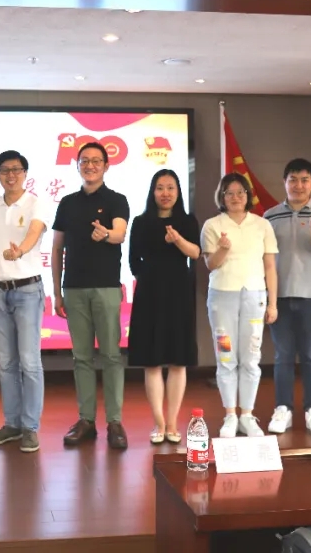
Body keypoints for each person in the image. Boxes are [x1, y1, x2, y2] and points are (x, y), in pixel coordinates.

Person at [52, 142, 131, 450]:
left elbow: (120, 233)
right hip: (73, 288)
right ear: (77, 165)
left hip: (106, 288)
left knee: (111, 356)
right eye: (84, 160)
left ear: (106, 166)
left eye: (96, 161)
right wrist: (56, 291)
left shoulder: (116, 200)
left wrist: (106, 234)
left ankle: (115, 421)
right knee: (81, 357)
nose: (90, 165)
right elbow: (57, 248)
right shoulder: (67, 203)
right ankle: (86, 419)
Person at [0, 151, 50, 454]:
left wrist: (19, 251)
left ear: (25, 173)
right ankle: (12, 424)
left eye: (17, 170)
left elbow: (34, 232)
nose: (11, 175)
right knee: (6, 363)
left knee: (30, 362)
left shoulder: (36, 203)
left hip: (27, 291)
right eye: (5, 170)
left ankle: (30, 427)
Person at [200, 173, 278, 438]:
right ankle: (230, 415)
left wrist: (273, 304)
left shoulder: (262, 224)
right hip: (222, 298)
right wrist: (222, 249)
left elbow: (270, 266)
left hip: (254, 297)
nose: (235, 197)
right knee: (226, 357)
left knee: (251, 358)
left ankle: (247, 415)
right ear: (222, 197)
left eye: (240, 192)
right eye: (229, 193)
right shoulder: (212, 225)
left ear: (248, 195)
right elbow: (210, 264)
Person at [263, 159, 311, 434]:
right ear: (284, 182)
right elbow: (265, 258)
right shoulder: (270, 216)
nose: (298, 185)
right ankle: (283, 409)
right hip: (279, 296)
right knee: (282, 356)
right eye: (293, 179)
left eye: (304, 180)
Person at [127, 169, 200, 445]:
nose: (165, 193)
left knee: (178, 360)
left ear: (178, 191)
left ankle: (172, 422)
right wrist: (149, 278)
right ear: (152, 191)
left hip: (179, 292)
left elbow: (195, 253)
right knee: (152, 360)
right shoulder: (141, 222)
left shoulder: (187, 221)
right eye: (160, 188)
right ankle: (158, 422)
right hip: (150, 293)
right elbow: (133, 261)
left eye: (170, 188)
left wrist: (177, 239)